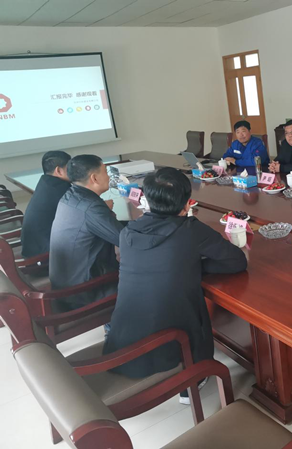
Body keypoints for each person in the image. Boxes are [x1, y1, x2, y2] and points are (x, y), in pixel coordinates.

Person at [103, 167, 247, 403]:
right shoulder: (190, 230)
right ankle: (191, 381)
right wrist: (195, 265)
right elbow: (236, 261)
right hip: (176, 347)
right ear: (188, 203)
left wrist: (185, 263)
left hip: (125, 342)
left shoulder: (128, 232)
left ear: (147, 200)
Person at [49, 155, 122, 312]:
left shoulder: (70, 196)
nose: (109, 176)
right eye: (105, 172)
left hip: (67, 286)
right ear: (94, 178)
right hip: (85, 292)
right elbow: (125, 239)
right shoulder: (91, 207)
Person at [21, 151, 72, 258]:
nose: (73, 171)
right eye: (70, 168)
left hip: (33, 248)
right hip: (45, 254)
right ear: (59, 170)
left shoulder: (46, 183)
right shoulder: (60, 189)